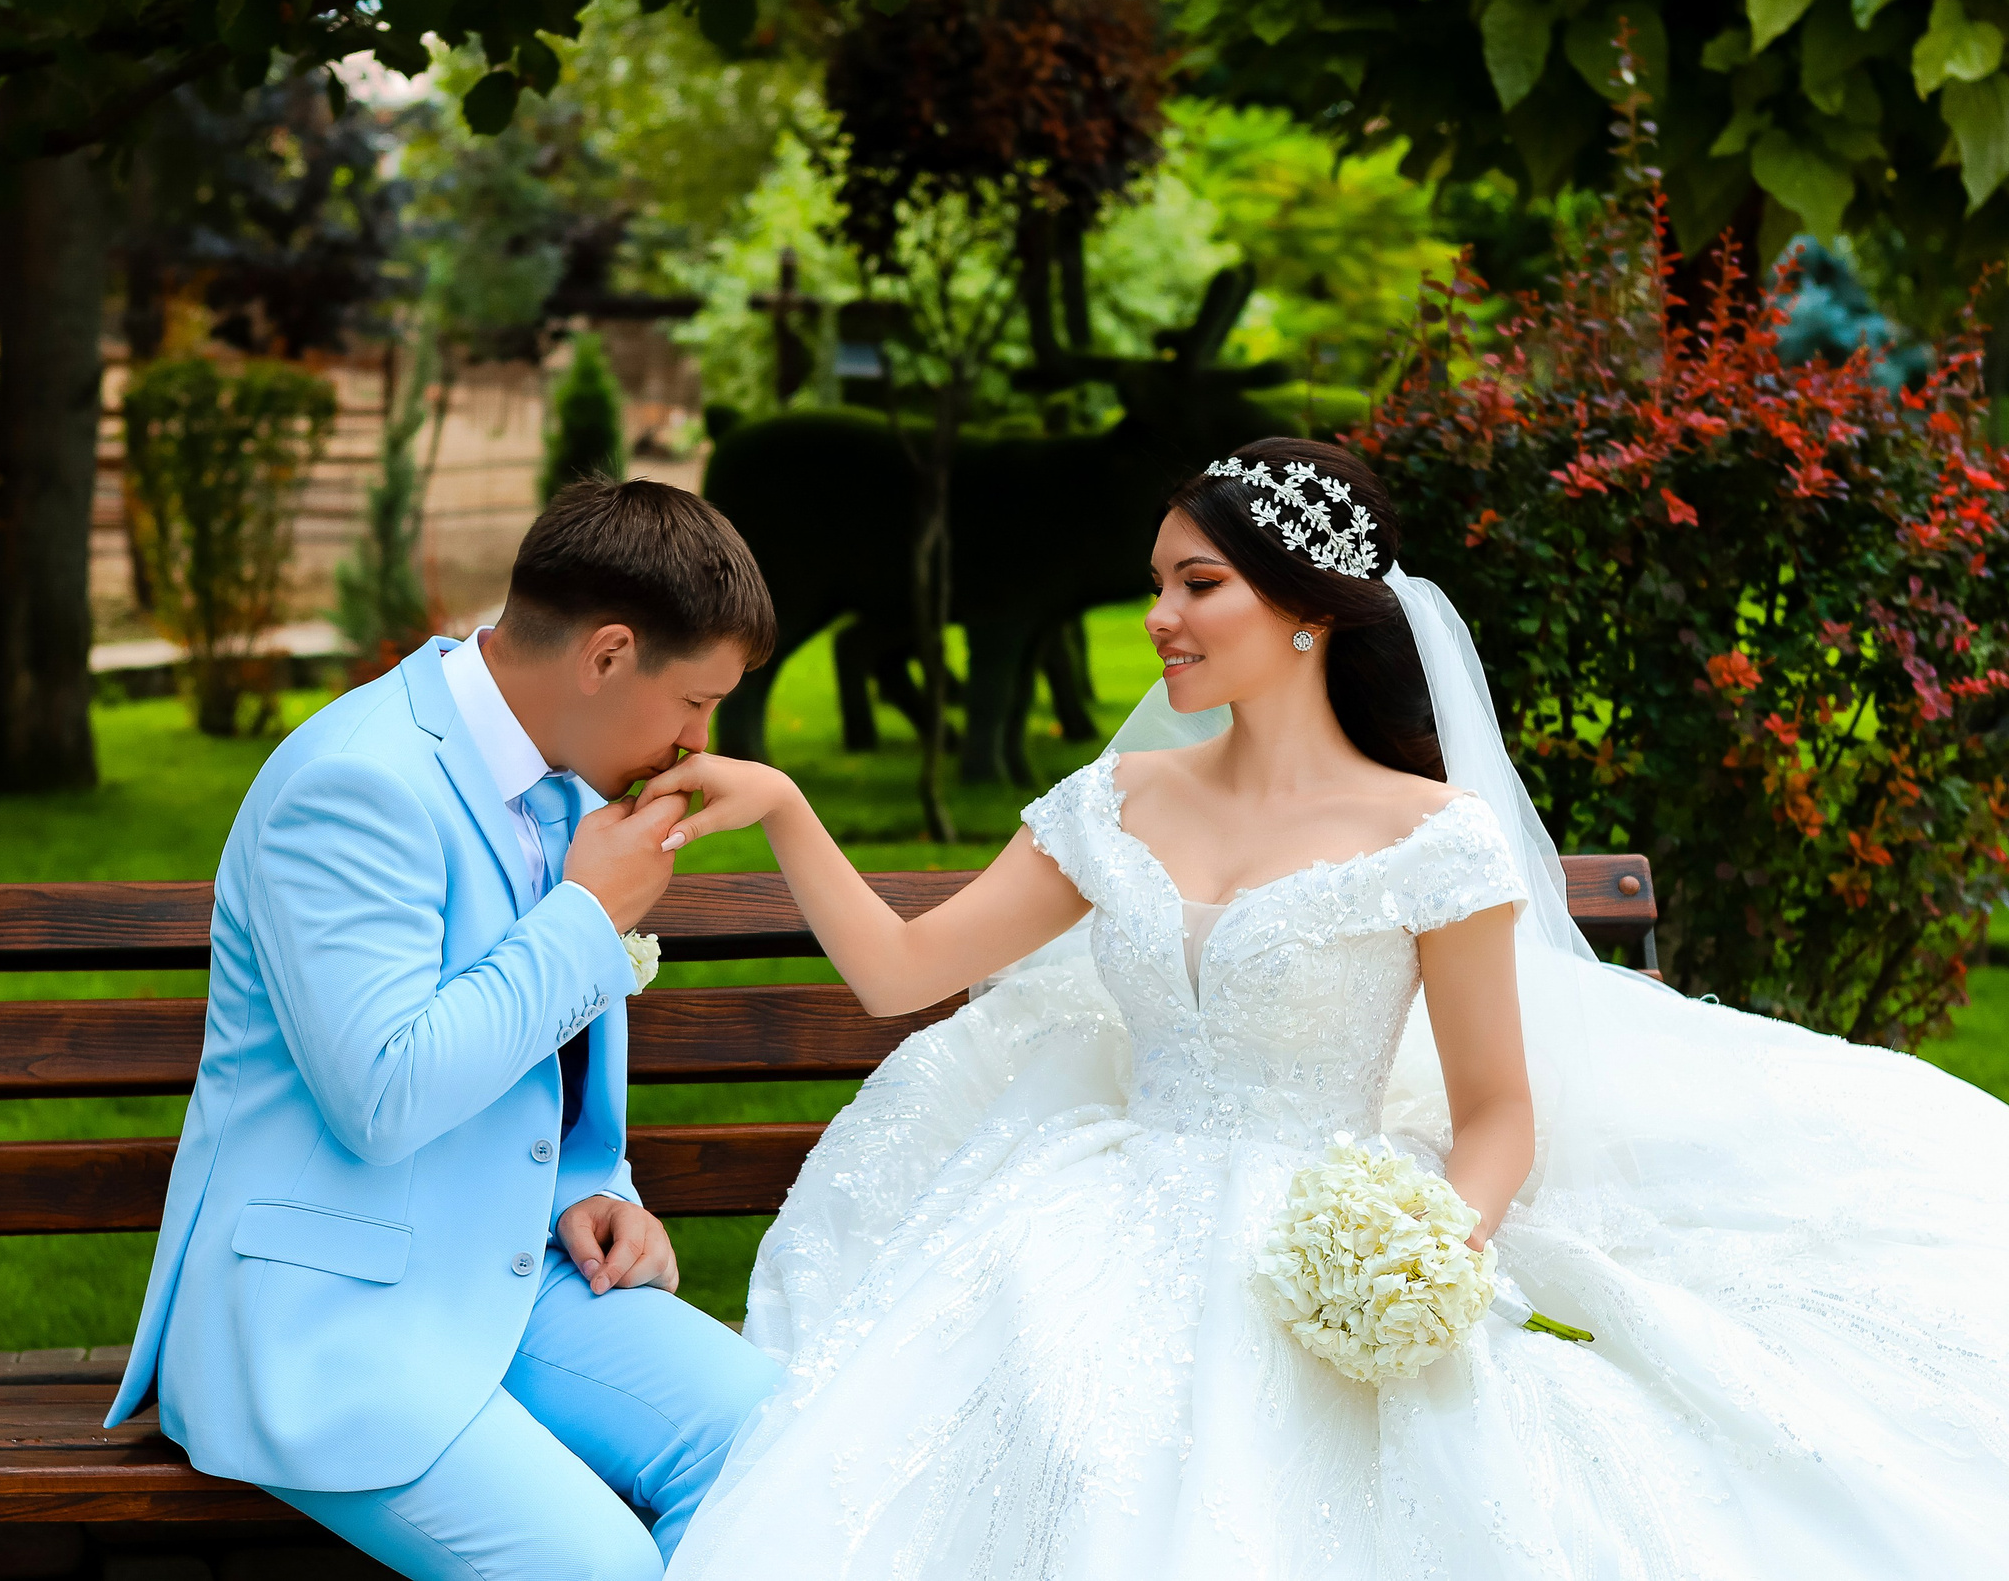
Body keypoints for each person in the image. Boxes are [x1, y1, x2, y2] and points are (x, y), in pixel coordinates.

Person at [647, 438, 2009, 1578]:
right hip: (1097, 1207)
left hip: (1324, 1226)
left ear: (1307, 608)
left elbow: (1496, 1115)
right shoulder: (1115, 804)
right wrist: (780, 800)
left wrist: (1421, 1253)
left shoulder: (1433, 836)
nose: (1159, 619)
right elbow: (898, 969)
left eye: (1200, 584)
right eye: (1156, 585)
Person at [104, 478, 783, 1581]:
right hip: (332, 1321)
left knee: (789, 1455)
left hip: (513, 1281)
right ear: (607, 656)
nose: (698, 742)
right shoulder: (355, 784)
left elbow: (543, 1073)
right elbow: (382, 1097)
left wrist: (592, 1188)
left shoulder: (562, 774)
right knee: (600, 1570)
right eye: (696, 702)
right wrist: (585, 921)